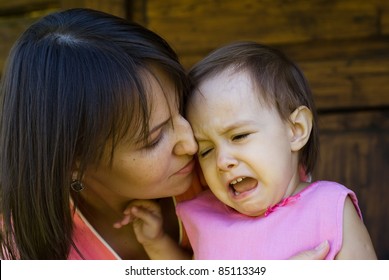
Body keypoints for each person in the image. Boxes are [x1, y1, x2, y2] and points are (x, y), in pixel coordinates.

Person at [0, 8, 330, 260]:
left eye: (181, 110)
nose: (190, 145)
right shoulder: (20, 248)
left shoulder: (238, 171)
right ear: (75, 162)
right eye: (155, 138)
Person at [116, 41, 377, 260]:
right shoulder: (204, 218)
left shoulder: (329, 208)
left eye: (239, 136)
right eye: (206, 151)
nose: (222, 160)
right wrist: (157, 244)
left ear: (295, 129)